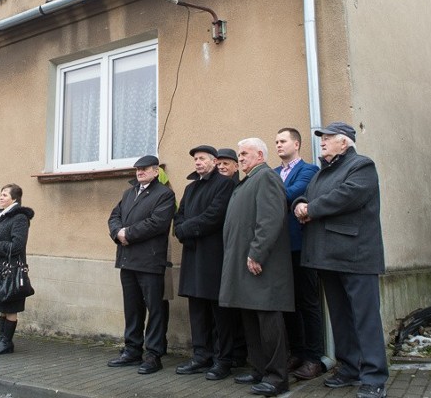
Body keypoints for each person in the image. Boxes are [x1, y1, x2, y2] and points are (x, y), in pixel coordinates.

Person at [293, 122, 389, 398]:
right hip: (329, 256)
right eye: (321, 138)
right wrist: (299, 203)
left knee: (365, 318)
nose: (322, 142)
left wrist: (312, 208)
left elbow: (347, 196)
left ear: (344, 143)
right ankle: (349, 368)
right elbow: (307, 194)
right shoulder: (324, 172)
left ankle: (374, 376)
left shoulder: (361, 166)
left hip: (356, 255)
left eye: (328, 138)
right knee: (340, 318)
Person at [220, 138, 293, 397]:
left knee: (268, 320)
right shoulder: (249, 180)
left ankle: (277, 378)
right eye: (238, 154)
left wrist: (257, 253)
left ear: (260, 155)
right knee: (251, 319)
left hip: (262, 265)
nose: (239, 158)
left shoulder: (266, 178)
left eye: (244, 153)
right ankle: (260, 369)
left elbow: (270, 219)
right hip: (245, 264)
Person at [173, 145, 239, 381]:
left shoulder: (225, 184)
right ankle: (201, 356)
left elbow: (215, 215)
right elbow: (179, 215)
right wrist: (180, 229)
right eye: (195, 159)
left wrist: (185, 229)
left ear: (214, 161)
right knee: (197, 309)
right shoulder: (191, 188)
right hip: (192, 254)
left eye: (202, 158)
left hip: (214, 255)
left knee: (219, 312)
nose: (198, 162)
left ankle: (223, 360)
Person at [106, 155, 177, 375]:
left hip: (150, 261)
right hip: (127, 259)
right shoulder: (128, 193)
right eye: (137, 169)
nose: (140, 172)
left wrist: (128, 234)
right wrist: (118, 233)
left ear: (156, 171)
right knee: (132, 308)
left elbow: (157, 223)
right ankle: (132, 350)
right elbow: (114, 216)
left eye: (144, 169)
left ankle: (154, 355)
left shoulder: (164, 194)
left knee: (155, 309)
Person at [274, 127, 323, 380]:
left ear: (297, 144)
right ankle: (298, 352)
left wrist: (268, 195)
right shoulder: (272, 173)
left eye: (283, 141)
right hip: (279, 250)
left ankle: (314, 359)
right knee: (288, 304)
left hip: (301, 248)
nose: (278, 145)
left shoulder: (309, 170)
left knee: (308, 302)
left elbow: (292, 194)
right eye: (276, 142)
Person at [0, 183, 35, 355]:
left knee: (10, 307)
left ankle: (6, 342)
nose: (1, 197)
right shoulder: (2, 216)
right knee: (2, 305)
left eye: (4, 195)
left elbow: (17, 245)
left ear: (14, 199)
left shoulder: (19, 218)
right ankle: (2, 340)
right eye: (1, 194)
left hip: (11, 270)